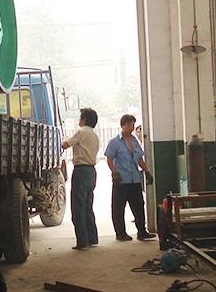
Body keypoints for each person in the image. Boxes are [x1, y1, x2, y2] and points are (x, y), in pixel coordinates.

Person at [104, 114, 156, 241]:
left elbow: (139, 158)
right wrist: (114, 172)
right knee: (118, 207)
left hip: (134, 179)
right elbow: (109, 158)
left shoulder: (134, 141)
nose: (131, 128)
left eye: (132, 125)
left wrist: (147, 172)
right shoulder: (115, 142)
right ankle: (120, 233)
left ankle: (142, 232)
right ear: (122, 126)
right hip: (121, 180)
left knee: (139, 205)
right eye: (128, 125)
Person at [62, 107, 100, 250]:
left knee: (78, 207)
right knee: (87, 207)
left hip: (81, 171)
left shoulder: (81, 132)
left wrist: (65, 138)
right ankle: (92, 238)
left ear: (84, 119)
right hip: (91, 171)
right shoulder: (94, 135)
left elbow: (65, 145)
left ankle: (82, 240)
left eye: (80, 118)